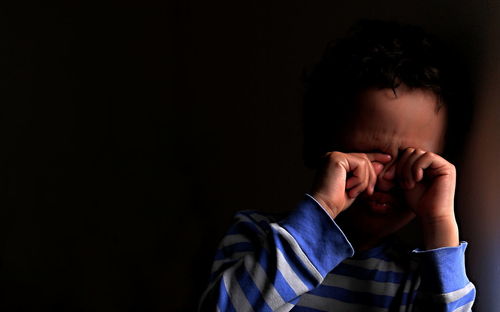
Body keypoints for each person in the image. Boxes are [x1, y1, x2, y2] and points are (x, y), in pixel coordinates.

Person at [199, 19, 475, 311]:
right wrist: (324, 210)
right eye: (370, 154)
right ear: (319, 145)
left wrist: (439, 223)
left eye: (412, 159)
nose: (389, 177)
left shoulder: (416, 280)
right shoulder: (255, 236)